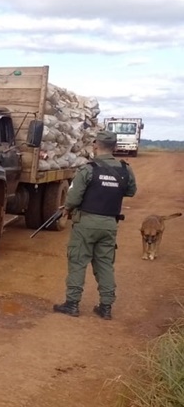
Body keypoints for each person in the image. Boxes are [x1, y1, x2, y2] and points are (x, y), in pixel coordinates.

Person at [53, 130, 137, 320]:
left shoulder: (88, 169)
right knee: (105, 264)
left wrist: (67, 208)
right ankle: (106, 307)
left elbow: (74, 196)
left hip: (86, 223)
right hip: (109, 224)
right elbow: (131, 191)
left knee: (78, 261)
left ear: (96, 145)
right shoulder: (125, 169)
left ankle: (72, 304)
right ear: (115, 147)